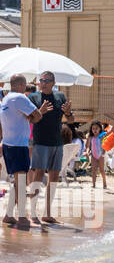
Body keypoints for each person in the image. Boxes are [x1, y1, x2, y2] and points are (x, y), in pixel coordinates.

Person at [2, 74, 51, 228]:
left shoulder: (6, 98)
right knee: (21, 181)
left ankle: (9, 215)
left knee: (17, 182)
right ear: (22, 84)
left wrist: (33, 114)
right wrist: (39, 112)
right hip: (18, 146)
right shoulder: (20, 98)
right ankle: (22, 216)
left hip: (8, 144)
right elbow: (36, 117)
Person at [28, 71, 73, 223]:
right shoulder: (34, 97)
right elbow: (31, 120)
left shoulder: (60, 96)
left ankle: (47, 213)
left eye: (47, 80)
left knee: (54, 177)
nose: (44, 82)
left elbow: (71, 119)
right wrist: (40, 112)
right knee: (38, 174)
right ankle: (33, 211)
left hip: (57, 142)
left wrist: (68, 113)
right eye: (41, 80)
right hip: (40, 142)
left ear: (53, 82)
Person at [86, 121, 108, 189]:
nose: (95, 130)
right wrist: (87, 152)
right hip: (93, 156)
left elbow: (104, 145)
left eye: (96, 128)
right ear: (91, 129)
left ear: (100, 129)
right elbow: (88, 147)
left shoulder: (101, 137)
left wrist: (103, 153)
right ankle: (93, 184)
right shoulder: (90, 137)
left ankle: (104, 182)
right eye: (93, 128)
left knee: (101, 170)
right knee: (93, 170)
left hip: (101, 155)